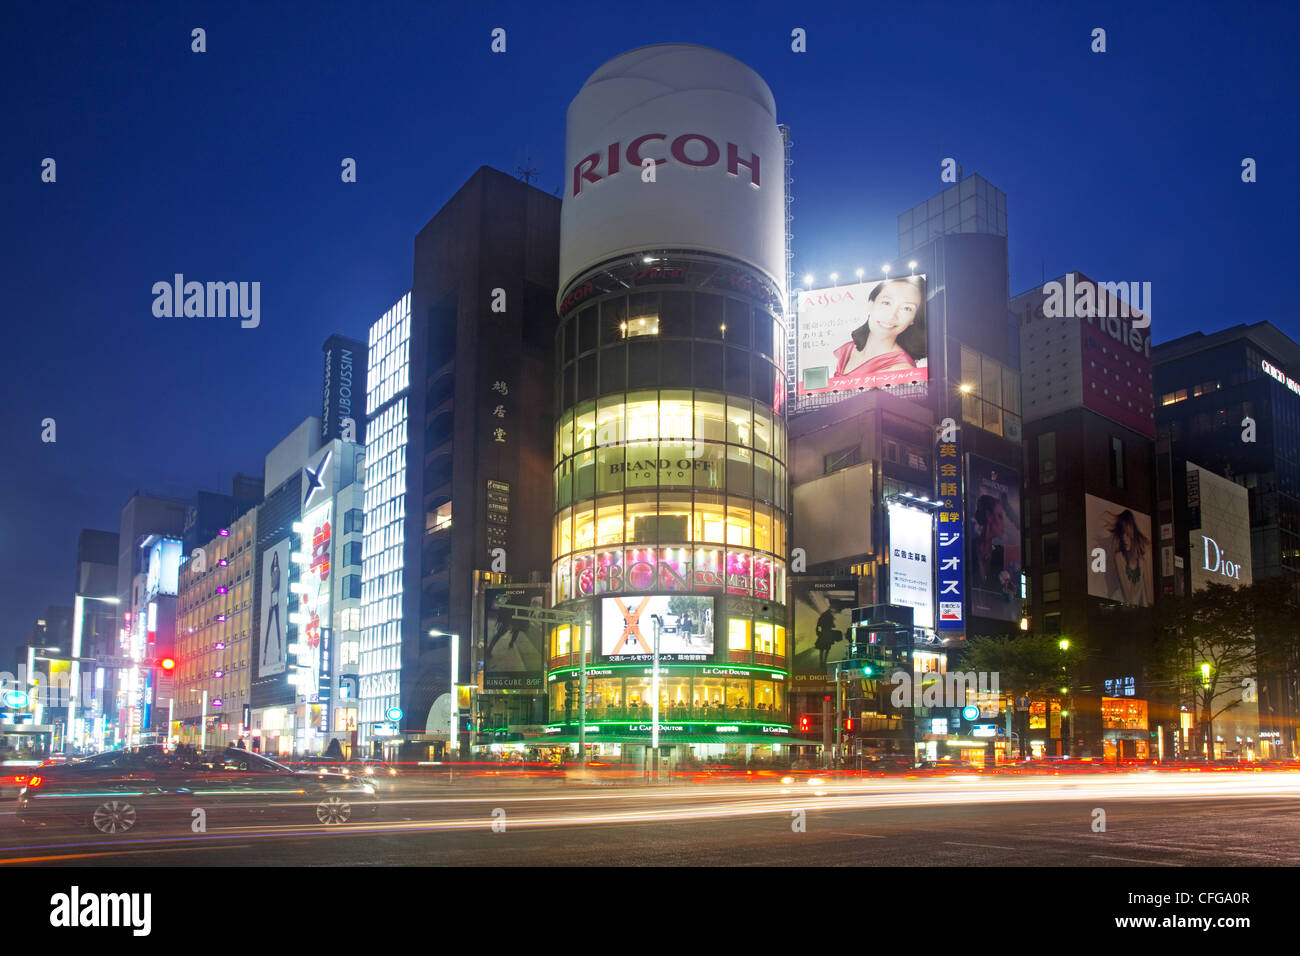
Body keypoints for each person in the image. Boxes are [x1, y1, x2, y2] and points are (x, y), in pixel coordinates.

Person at [831, 278, 926, 381]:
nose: (891, 316)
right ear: (871, 304)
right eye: (886, 303)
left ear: (913, 319)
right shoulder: (848, 349)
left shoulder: (901, 370)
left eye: (907, 308)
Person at [1105, 509, 1151, 606]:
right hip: (1121, 606)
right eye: (1122, 534)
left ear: (1133, 534)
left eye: (1127, 534)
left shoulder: (1142, 562)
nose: (1124, 538)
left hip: (1132, 609)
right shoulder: (1119, 557)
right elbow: (1127, 594)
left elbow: (1144, 595)